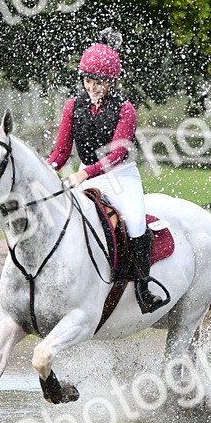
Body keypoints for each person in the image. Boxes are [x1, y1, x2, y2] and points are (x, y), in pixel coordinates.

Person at [46, 29, 169, 313]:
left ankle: (143, 287)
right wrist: (46, 169)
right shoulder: (72, 107)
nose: (93, 87)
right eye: (89, 80)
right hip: (85, 172)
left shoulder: (125, 109)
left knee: (136, 222)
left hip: (120, 176)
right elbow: (61, 151)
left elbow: (118, 154)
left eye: (99, 82)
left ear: (111, 82)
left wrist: (84, 174)